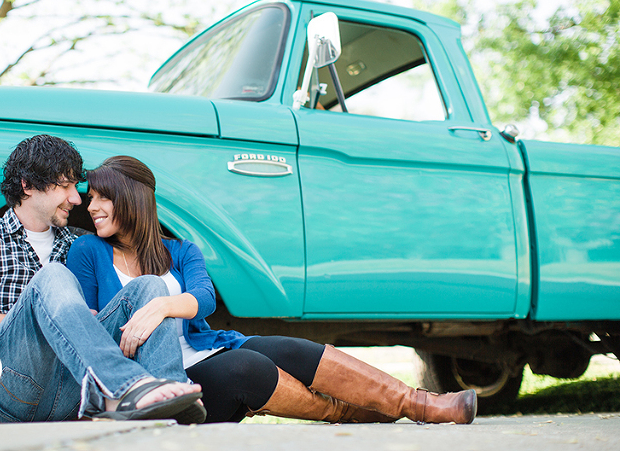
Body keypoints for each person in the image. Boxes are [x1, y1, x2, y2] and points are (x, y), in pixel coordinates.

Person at [66, 155, 478, 424]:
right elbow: (88, 323)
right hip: (160, 383)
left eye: (102, 196)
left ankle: (421, 404)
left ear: (132, 198)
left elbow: (205, 299)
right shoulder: (87, 250)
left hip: (208, 349)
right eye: (91, 198)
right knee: (248, 368)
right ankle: (345, 412)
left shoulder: (181, 249)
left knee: (287, 348)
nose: (91, 206)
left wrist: (162, 306)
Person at [0, 135, 205, 424]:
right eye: (65, 186)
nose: (77, 199)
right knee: (53, 276)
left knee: (149, 286)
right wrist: (50, 315)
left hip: (69, 392)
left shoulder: (79, 244)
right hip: (1, 389)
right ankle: (124, 386)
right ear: (28, 185)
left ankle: (166, 394)